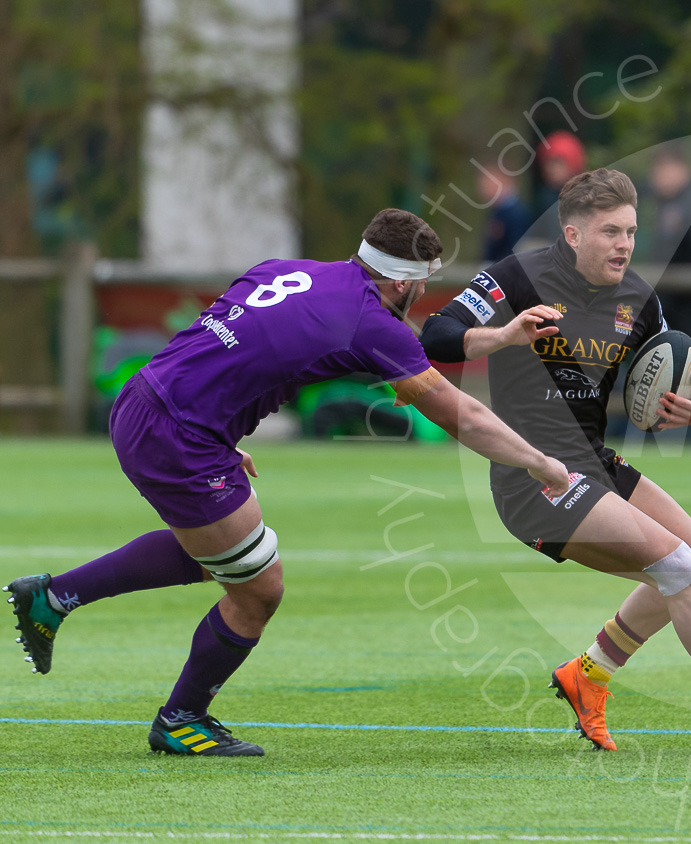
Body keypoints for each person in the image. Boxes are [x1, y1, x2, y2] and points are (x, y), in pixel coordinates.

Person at [6, 209, 571, 756]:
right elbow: (462, 416)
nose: (420, 297)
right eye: (421, 286)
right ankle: (179, 718)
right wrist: (540, 463)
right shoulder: (367, 321)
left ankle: (53, 598)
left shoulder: (283, 270)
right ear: (404, 284)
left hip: (147, 399)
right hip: (182, 436)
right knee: (259, 588)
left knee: (220, 554)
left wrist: (498, 337)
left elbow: (236, 344)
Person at [418, 168, 691, 752]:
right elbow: (435, 334)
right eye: (610, 232)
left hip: (593, 462)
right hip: (533, 473)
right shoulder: (516, 277)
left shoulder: (637, 296)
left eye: (631, 232)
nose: (624, 245)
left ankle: (588, 674)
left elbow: (668, 378)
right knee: (678, 568)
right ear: (573, 233)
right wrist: (502, 336)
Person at [648, 145, 691, 348]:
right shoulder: (671, 202)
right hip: (676, 298)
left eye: (664, 170)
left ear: (682, 169)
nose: (658, 178)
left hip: (690, 300)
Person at [528, 130, 587, 245]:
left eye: (559, 163)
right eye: (548, 163)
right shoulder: (544, 196)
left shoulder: (582, 200)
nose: (551, 169)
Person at [477, 165, 534, 263]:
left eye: (489, 185)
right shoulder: (497, 212)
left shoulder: (516, 214)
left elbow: (517, 249)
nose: (485, 190)